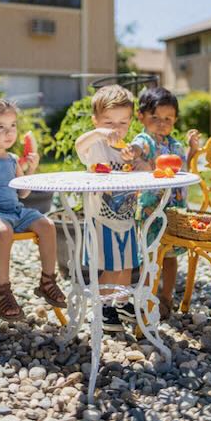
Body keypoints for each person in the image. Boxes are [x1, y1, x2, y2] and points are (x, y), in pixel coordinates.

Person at [0, 98, 66, 321]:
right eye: (1, 127)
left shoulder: (11, 160)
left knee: (47, 225)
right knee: (2, 232)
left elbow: (23, 193)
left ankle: (48, 281)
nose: (9, 132)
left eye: (13, 126)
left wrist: (31, 170)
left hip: (15, 211)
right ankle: (3, 292)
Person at [126, 87, 200, 319]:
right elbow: (138, 148)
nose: (161, 123)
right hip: (151, 212)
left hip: (175, 211)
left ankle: (166, 298)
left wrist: (192, 150)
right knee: (150, 255)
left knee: (170, 256)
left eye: (167, 119)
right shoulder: (145, 140)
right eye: (155, 117)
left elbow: (182, 167)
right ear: (142, 117)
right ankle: (147, 297)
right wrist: (134, 154)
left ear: (175, 120)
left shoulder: (175, 145)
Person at [75, 85, 140, 332]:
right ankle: (102, 308)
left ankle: (121, 303)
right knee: (110, 267)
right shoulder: (95, 146)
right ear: (96, 122)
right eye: (108, 122)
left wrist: (135, 160)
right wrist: (98, 133)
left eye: (123, 122)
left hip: (126, 216)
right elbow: (79, 144)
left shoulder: (127, 149)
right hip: (101, 218)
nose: (116, 128)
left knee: (127, 266)